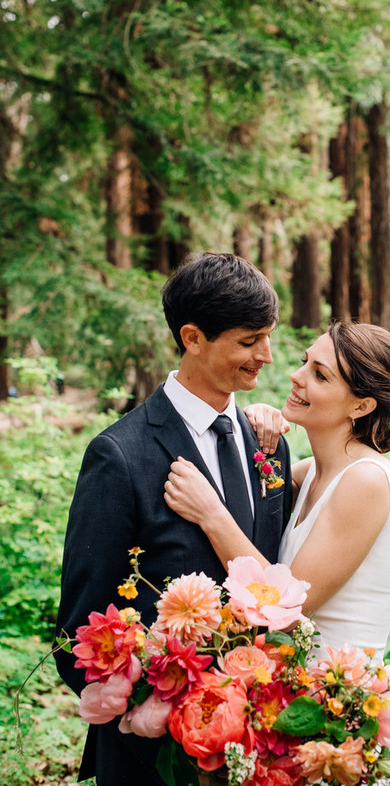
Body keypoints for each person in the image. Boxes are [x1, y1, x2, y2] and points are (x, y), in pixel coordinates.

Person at [54, 253, 293, 785]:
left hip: (261, 743)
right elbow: (79, 631)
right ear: (192, 338)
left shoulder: (268, 442)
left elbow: (280, 566)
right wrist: (155, 714)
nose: (267, 356)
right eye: (249, 340)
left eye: (268, 337)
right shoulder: (119, 455)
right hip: (154, 759)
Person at [164, 320, 390, 661]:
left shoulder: (366, 480)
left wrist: (211, 514)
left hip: (336, 696)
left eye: (320, 375)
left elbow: (284, 608)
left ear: (361, 406)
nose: (296, 377)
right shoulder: (312, 472)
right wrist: (250, 421)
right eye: (305, 362)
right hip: (290, 690)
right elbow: (260, 487)